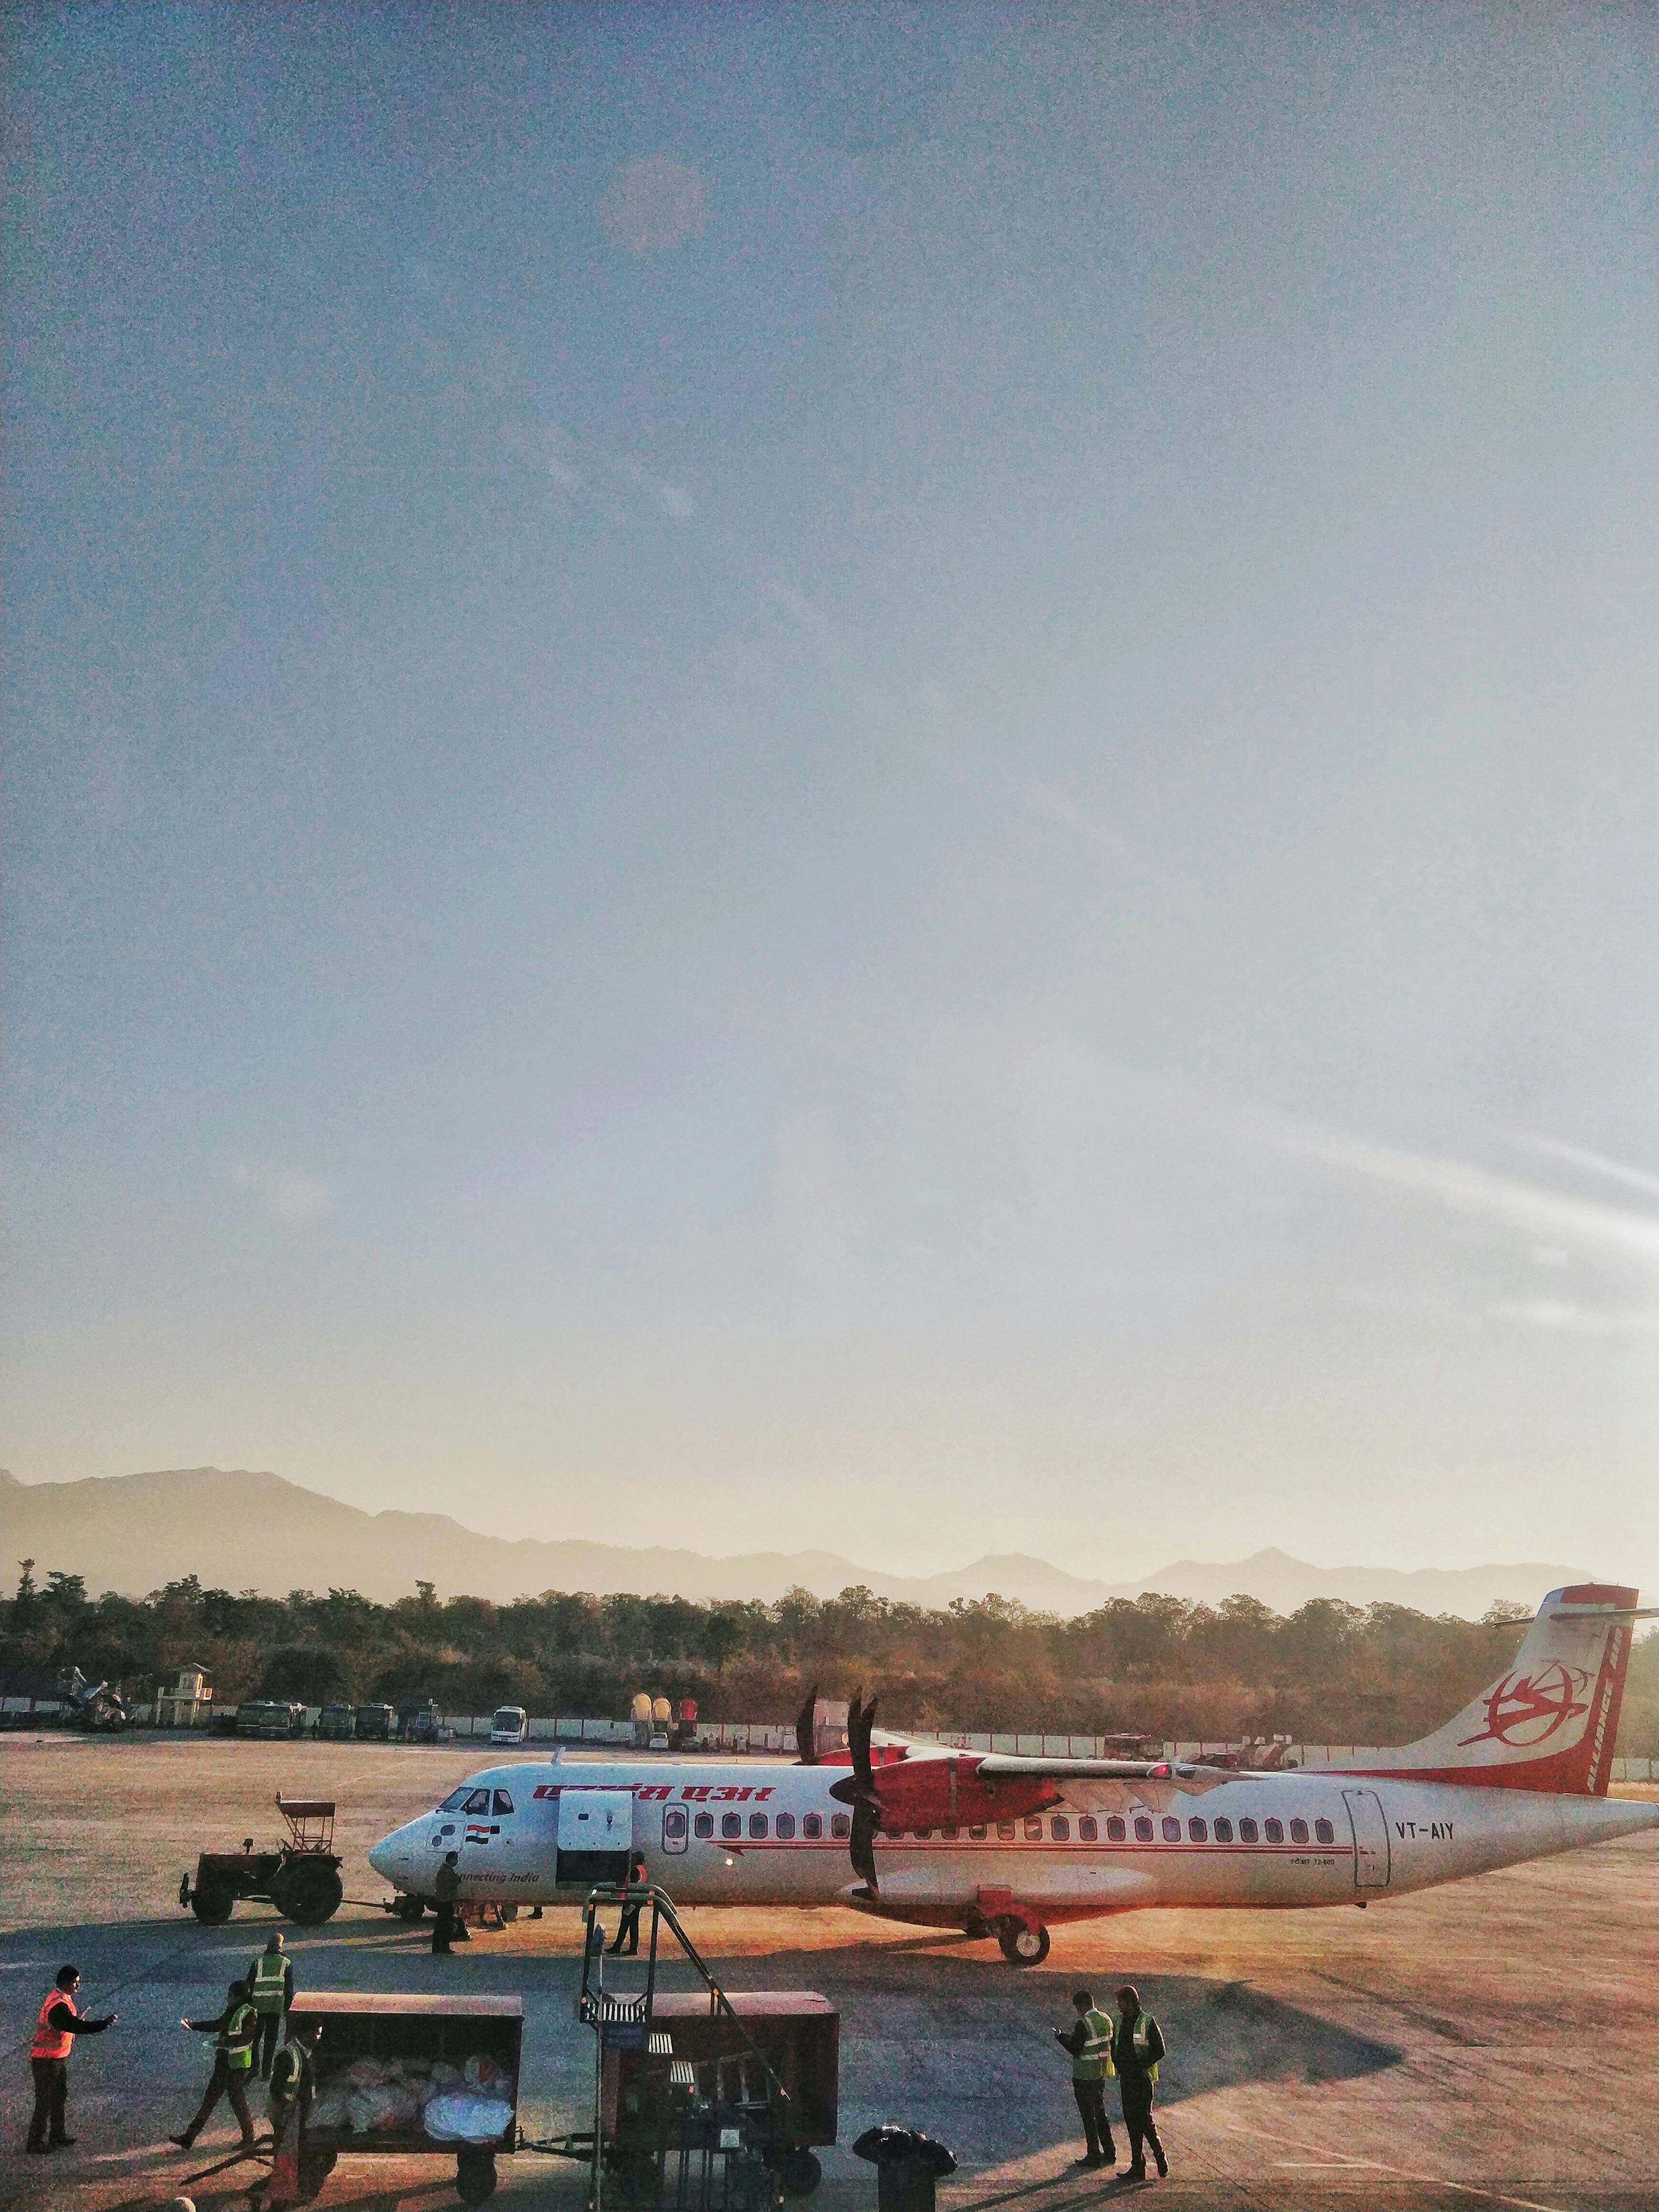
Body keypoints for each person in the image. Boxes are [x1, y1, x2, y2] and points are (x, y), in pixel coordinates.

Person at [26, 1964, 117, 2155]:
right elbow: (74, 2026)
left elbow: (70, 2024)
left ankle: (58, 2135)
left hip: (57, 2058)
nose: (78, 1987)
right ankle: (35, 2142)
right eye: (75, 1983)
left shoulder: (61, 1998)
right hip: (46, 2061)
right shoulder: (58, 2005)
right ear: (66, 1983)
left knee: (58, 2098)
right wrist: (103, 2024)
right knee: (45, 2101)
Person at [172, 1977, 259, 2153]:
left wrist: (225, 2042)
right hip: (224, 2063)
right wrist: (194, 2026)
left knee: (237, 2102)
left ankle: (249, 2137)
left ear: (239, 1996)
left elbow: (247, 2038)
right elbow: (218, 2025)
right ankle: (189, 2138)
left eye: (230, 1995)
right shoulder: (232, 2010)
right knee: (211, 2100)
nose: (228, 1998)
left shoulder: (249, 2013)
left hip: (237, 2065)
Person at [1053, 1988, 1117, 2169]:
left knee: (1088, 2117)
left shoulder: (1084, 2023)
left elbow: (1076, 2048)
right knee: (1100, 2113)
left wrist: (1061, 2037)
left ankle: (1094, 2155)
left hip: (1084, 2075)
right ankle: (1110, 2151)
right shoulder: (1106, 2019)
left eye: (1078, 2007)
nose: (1078, 2011)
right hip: (1100, 2072)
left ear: (1084, 2005)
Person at [1112, 1984, 1167, 2182]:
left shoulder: (1147, 2022)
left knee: (1144, 2119)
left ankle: (1159, 2155)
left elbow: (1160, 2050)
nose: (1118, 2005)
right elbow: (1115, 2044)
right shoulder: (1118, 2022)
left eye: (1120, 2002)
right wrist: (1118, 2062)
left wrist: (1139, 2064)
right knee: (1131, 2122)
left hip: (1142, 2079)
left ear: (1129, 2003)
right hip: (1126, 2079)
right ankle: (1138, 2166)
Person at [247, 1932, 294, 2079]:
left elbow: (248, 1984)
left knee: (254, 2039)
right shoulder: (286, 1963)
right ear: (281, 1945)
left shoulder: (258, 1962)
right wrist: (287, 2009)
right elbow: (289, 1989)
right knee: (270, 2040)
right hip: (275, 2005)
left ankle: (254, 2068)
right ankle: (266, 2072)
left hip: (258, 2006)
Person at [608, 1854, 649, 1955]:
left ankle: (617, 1947)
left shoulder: (635, 1870)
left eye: (634, 1858)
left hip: (631, 1902)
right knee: (634, 1926)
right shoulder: (642, 1870)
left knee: (624, 1924)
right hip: (638, 1901)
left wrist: (629, 1903)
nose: (632, 1859)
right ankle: (632, 1948)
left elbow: (633, 1887)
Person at [432, 1850, 462, 1955]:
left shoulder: (445, 1870)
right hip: (446, 1901)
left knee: (442, 1925)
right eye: (456, 1859)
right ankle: (443, 1947)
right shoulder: (447, 1871)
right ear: (451, 1859)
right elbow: (449, 1884)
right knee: (445, 1925)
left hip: (444, 1900)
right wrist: (458, 1879)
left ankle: (438, 1947)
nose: (456, 1861)